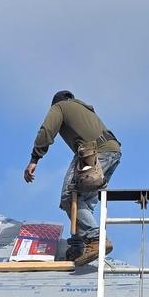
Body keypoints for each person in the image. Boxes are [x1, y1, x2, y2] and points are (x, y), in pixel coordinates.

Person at [24, 90, 121, 265]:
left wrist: (34, 159)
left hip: (94, 153)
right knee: (83, 200)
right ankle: (79, 246)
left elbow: (47, 130)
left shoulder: (60, 107)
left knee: (70, 196)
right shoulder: (83, 109)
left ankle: (95, 239)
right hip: (112, 151)